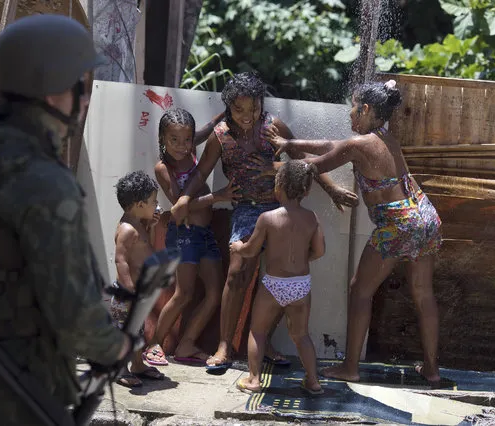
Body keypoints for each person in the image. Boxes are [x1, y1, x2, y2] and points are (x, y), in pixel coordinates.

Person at [0, 15, 132, 424]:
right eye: (80, 86)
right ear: (53, 90)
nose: (84, 99)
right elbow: (75, 315)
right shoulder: (42, 179)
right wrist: (116, 347)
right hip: (19, 383)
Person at [171, 72, 358, 370]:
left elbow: (303, 161)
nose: (248, 116)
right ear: (229, 107)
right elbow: (200, 173)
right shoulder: (221, 135)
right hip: (245, 209)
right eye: (239, 109)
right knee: (236, 274)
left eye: (253, 108)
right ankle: (224, 346)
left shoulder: (273, 127)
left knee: (281, 278)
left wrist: (331, 188)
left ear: (262, 103)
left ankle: (265, 341)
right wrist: (184, 197)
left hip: (279, 208)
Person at [264, 80, 442, 386]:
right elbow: (333, 147)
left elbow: (314, 166)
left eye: (353, 107)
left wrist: (275, 168)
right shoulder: (384, 138)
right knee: (423, 294)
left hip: (397, 225)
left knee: (360, 291)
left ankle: (350, 367)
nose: (350, 114)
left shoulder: (360, 145)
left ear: (366, 109)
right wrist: (291, 145)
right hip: (424, 217)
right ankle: (432, 369)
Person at [150, 108, 241, 364]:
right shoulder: (163, 168)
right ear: (162, 139)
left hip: (206, 234)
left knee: (214, 293)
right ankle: (154, 344)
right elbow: (181, 205)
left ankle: (186, 344)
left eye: (186, 140)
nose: (181, 146)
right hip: (184, 234)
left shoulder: (191, 151)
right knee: (184, 293)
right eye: (174, 140)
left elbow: (207, 130)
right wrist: (218, 196)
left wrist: (226, 111)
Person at [231, 160, 325, 395]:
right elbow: (320, 251)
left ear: (278, 186)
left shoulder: (267, 218)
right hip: (300, 285)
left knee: (258, 331)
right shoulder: (312, 217)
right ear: (306, 190)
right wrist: (304, 260)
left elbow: (252, 250)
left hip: (274, 284)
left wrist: (237, 247)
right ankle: (313, 381)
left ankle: (253, 380)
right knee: (301, 335)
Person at [111, 170, 166, 387]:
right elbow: (121, 261)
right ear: (139, 204)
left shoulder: (138, 225)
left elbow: (146, 249)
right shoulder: (126, 229)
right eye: (153, 201)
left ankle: (138, 365)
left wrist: (151, 226)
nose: (156, 205)